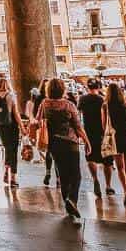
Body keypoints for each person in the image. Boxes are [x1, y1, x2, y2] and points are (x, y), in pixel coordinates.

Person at [37, 77, 92, 223]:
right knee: (76, 174)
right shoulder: (69, 105)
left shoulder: (44, 104)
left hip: (54, 144)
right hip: (71, 143)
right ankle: (72, 199)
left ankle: (68, 204)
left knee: (62, 175)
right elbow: (78, 126)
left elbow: (37, 120)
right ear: (63, 89)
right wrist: (87, 142)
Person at [78, 78, 114, 197]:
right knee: (107, 161)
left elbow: (78, 115)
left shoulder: (82, 99)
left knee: (90, 157)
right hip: (103, 132)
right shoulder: (102, 100)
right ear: (98, 87)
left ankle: (95, 180)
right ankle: (108, 186)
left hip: (88, 132)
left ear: (88, 87)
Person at [0, 77, 26, 188]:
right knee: (13, 150)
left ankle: (6, 169)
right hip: (11, 126)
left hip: (0, 126)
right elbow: (15, 113)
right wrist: (22, 126)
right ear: (8, 84)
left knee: (7, 148)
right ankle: (13, 178)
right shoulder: (11, 96)